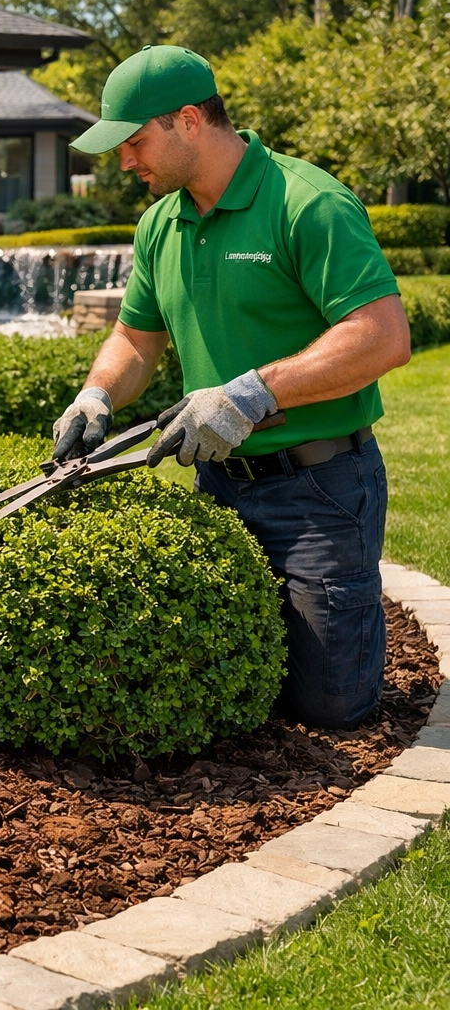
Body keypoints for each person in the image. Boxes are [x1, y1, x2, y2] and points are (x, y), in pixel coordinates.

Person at [54, 45, 411, 729]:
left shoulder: (307, 202)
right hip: (218, 483)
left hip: (320, 488)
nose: (125, 162)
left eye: (134, 142)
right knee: (227, 686)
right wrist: (95, 395)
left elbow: (382, 336)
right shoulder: (161, 223)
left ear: (188, 120)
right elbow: (135, 339)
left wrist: (251, 393)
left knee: (329, 707)